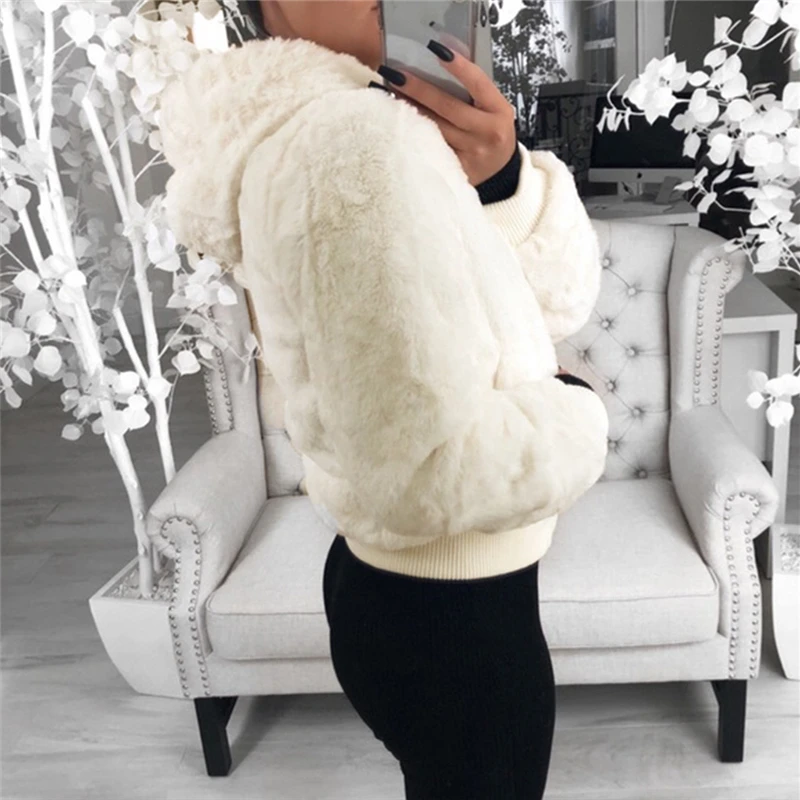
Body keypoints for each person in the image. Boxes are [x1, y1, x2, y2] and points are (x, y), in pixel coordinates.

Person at [158, 2, 609, 797]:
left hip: (422, 601)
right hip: (454, 619)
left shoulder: (365, 121)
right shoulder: (352, 140)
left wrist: (500, 181)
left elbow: (542, 303)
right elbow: (425, 470)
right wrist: (577, 408)